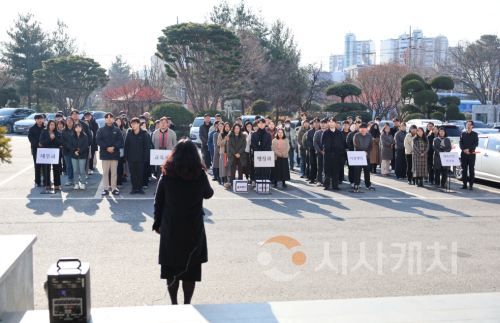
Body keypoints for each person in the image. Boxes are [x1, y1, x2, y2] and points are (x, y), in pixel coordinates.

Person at [153, 139, 213, 305]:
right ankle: (187, 303)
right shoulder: (199, 174)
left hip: (170, 228)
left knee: (171, 269)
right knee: (190, 270)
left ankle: (174, 303)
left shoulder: (167, 174)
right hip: (193, 228)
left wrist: (157, 224)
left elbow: (158, 202)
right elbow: (209, 194)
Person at [96, 113, 124, 195]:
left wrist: (114, 147)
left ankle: (114, 188)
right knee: (105, 173)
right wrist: (107, 147)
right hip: (105, 154)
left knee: (114, 173)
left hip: (114, 154)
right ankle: (106, 189)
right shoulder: (101, 130)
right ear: (105, 119)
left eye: (110, 117)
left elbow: (120, 141)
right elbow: (98, 140)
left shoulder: (117, 130)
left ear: (113, 119)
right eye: (107, 118)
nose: (109, 119)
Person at [124, 118, 150, 195]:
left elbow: (146, 146)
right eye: (132, 124)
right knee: (133, 174)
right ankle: (134, 188)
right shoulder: (129, 134)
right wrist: (126, 157)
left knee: (140, 174)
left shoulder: (144, 134)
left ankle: (140, 188)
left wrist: (146, 157)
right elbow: (126, 146)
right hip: (131, 157)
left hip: (140, 158)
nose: (133, 125)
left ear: (139, 124)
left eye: (135, 124)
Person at [39, 120, 63, 191]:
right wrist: (50, 138)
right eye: (51, 125)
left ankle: (57, 184)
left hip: (55, 152)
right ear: (48, 125)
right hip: (46, 152)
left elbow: (60, 142)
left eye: (54, 125)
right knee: (46, 169)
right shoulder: (44, 132)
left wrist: (54, 138)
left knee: (56, 169)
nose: (52, 126)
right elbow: (42, 142)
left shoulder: (58, 132)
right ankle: (47, 184)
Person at [322, 117, 343, 190]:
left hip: (336, 153)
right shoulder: (325, 132)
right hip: (327, 154)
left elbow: (341, 142)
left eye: (333, 122)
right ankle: (326, 185)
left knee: (336, 170)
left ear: (335, 123)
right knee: (327, 170)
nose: (331, 123)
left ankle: (335, 185)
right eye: (330, 122)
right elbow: (322, 142)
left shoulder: (339, 133)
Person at [353, 123, 375, 192]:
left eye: (364, 128)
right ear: (359, 129)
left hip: (366, 156)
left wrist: (367, 152)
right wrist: (363, 152)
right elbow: (356, 145)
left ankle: (368, 185)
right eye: (361, 128)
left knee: (367, 171)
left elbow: (371, 146)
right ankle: (356, 184)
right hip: (358, 156)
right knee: (357, 171)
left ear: (366, 129)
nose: (363, 129)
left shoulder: (369, 136)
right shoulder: (356, 135)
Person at [225, 123, 247, 188]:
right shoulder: (230, 136)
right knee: (232, 170)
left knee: (240, 170)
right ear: (233, 129)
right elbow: (229, 146)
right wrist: (235, 153)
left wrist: (239, 153)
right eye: (235, 128)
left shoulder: (243, 136)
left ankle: (240, 184)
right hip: (232, 155)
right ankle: (232, 184)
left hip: (241, 155)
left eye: (238, 128)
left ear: (240, 129)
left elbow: (244, 146)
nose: (237, 130)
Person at [459, 120, 479, 190]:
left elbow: (476, 144)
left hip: (471, 154)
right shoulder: (463, 134)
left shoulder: (475, 134)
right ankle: (464, 184)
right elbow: (460, 143)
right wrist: (464, 149)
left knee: (471, 170)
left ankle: (471, 185)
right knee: (464, 169)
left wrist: (469, 149)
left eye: (470, 125)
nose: (469, 126)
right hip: (464, 154)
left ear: (472, 126)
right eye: (468, 124)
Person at [69, 123, 88, 190]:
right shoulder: (72, 136)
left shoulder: (84, 136)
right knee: (75, 171)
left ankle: (83, 183)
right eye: (76, 127)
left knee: (82, 170)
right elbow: (70, 145)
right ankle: (76, 183)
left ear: (81, 128)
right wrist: (74, 151)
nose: (78, 129)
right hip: (74, 155)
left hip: (82, 155)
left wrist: (79, 152)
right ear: (74, 129)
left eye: (79, 127)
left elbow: (85, 146)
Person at [28, 114, 45, 187]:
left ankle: (46, 181)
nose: (39, 120)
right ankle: (37, 181)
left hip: (45, 148)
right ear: (35, 120)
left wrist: (42, 143)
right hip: (36, 148)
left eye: (40, 119)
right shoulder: (32, 128)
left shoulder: (46, 127)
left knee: (45, 165)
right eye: (38, 119)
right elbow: (30, 138)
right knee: (37, 165)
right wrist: (38, 143)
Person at [61, 117, 75, 186]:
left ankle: (75, 179)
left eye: (71, 120)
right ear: (66, 122)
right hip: (66, 150)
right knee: (69, 165)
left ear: (73, 122)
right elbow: (61, 140)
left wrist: (72, 146)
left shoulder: (76, 129)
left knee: (75, 165)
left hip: (75, 150)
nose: (69, 122)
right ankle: (69, 179)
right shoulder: (63, 131)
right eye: (68, 121)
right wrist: (67, 145)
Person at [313, 118, 327, 186]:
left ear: (327, 124)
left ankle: (326, 181)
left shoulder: (328, 132)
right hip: (319, 152)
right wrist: (320, 150)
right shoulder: (317, 132)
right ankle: (319, 180)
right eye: (322, 123)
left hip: (327, 153)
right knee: (319, 167)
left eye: (324, 123)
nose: (323, 125)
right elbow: (315, 143)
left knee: (327, 167)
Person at [306, 118, 319, 184]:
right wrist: (313, 147)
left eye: (317, 122)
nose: (316, 124)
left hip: (320, 150)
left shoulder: (321, 131)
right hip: (312, 150)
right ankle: (312, 178)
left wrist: (318, 147)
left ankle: (319, 179)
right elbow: (308, 141)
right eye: (315, 122)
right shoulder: (310, 132)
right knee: (312, 164)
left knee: (319, 165)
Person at [346, 122, 360, 187]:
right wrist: (353, 149)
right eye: (356, 125)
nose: (358, 127)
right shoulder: (351, 134)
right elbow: (348, 142)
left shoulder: (362, 134)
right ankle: (352, 181)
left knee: (358, 169)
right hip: (352, 153)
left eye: (359, 126)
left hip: (360, 153)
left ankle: (357, 182)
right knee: (351, 168)